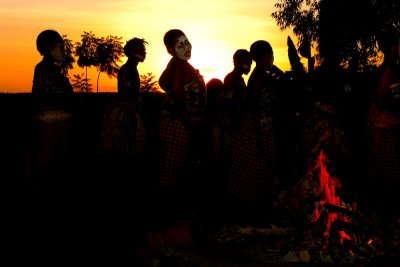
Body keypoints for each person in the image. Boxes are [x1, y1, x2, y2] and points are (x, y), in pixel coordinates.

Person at [223, 40, 284, 225]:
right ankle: (249, 217)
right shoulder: (259, 77)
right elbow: (254, 107)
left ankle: (250, 215)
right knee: (254, 174)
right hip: (257, 130)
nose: (272, 58)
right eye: (271, 54)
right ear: (266, 55)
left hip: (260, 129)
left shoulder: (261, 75)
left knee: (256, 174)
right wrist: (258, 138)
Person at [29, 29, 74, 190]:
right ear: (49, 49)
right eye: (60, 47)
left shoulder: (57, 72)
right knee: (46, 165)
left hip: (59, 126)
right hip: (49, 128)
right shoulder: (42, 69)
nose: (64, 51)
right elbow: (39, 96)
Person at [364, 25, 400, 220]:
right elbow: (380, 99)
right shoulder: (388, 69)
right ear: (393, 46)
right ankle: (384, 216)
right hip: (383, 126)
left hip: (386, 125)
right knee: (388, 174)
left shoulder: (392, 68)